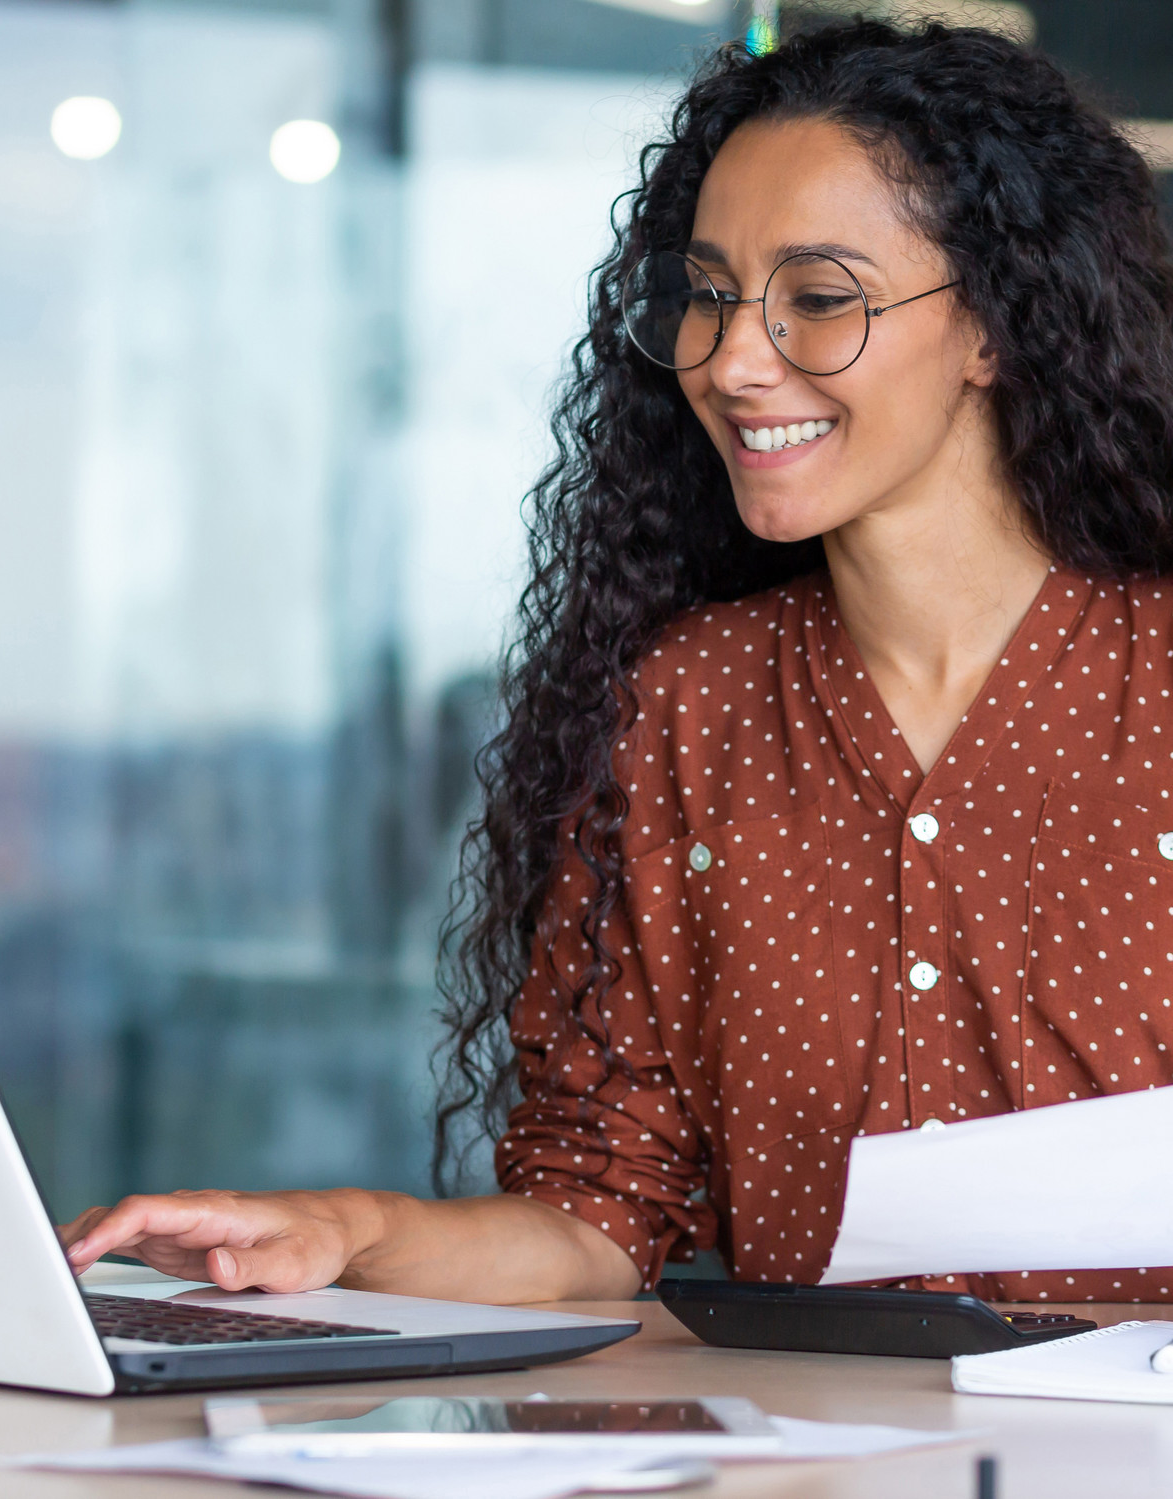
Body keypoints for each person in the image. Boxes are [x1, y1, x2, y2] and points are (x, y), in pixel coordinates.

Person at [63, 18, 1173, 1305]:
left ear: (993, 326)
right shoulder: (684, 703)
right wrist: (343, 1230)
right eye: (708, 294)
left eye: (819, 299)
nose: (734, 359)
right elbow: (599, 1210)